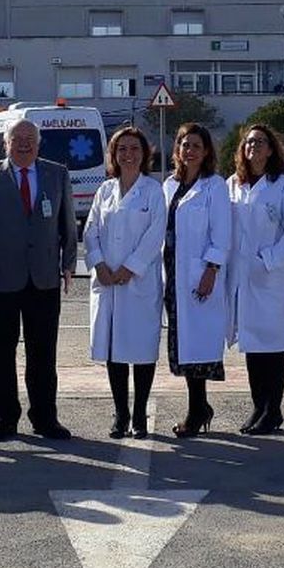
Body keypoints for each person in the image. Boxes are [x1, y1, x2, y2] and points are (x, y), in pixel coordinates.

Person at [0, 119, 77, 441]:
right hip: (0, 279)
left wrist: (69, 263)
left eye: (30, 139)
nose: (24, 144)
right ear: (6, 144)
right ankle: (4, 417)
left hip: (44, 279)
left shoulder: (56, 174)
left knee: (43, 354)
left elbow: (68, 224)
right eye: (17, 139)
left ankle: (45, 418)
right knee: (0, 354)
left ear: (39, 143)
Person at [84, 125, 166, 438]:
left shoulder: (152, 191)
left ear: (144, 154)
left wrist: (130, 268)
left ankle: (140, 415)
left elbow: (155, 234)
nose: (128, 155)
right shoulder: (105, 191)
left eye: (134, 149)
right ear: (114, 155)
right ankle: (120, 415)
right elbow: (90, 231)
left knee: (142, 349)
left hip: (138, 283)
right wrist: (99, 264)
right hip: (107, 282)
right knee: (114, 349)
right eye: (122, 149)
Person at [226, 124, 284, 435]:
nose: (253, 147)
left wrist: (269, 259)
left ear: (271, 149)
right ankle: (259, 406)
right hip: (241, 278)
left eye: (260, 142)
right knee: (251, 344)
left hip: (269, 275)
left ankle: (274, 410)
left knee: (272, 345)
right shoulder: (233, 183)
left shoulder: (281, 185)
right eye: (248, 142)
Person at [162, 122, 232, 437]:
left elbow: (222, 232)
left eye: (196, 146)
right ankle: (199, 406)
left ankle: (197, 410)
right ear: (177, 149)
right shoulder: (168, 186)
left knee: (199, 345)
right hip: (173, 275)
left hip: (200, 274)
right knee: (184, 344)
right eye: (184, 145)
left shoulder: (214, 186)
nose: (189, 151)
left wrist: (211, 269)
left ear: (206, 153)